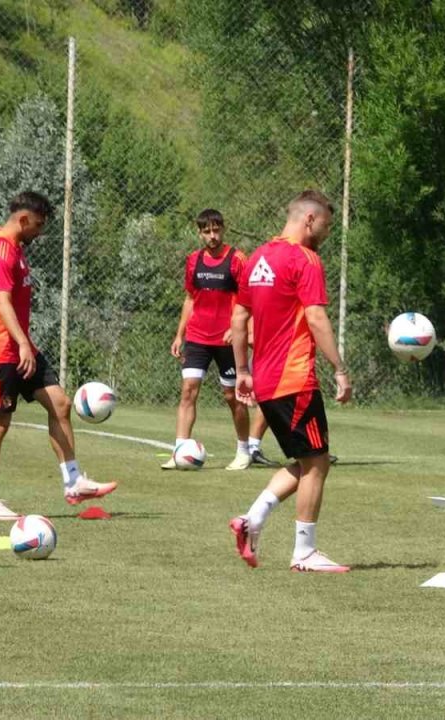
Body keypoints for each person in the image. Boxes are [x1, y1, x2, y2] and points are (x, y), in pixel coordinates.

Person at [227, 190, 352, 572]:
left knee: (310, 460)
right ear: (309, 220)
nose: (326, 235)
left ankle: (252, 520)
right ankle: (304, 552)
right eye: (326, 227)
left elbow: (238, 320)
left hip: (265, 381)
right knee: (316, 463)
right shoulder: (305, 259)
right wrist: (340, 369)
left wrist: (243, 371)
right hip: (294, 379)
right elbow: (316, 318)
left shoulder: (257, 258)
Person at [0, 191, 117, 521]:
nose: (39, 232)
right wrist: (22, 343)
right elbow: (1, 303)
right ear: (22, 220)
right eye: (37, 225)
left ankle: (73, 481)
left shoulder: (17, 251)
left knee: (60, 403)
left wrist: (25, 345)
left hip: (21, 348)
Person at [164, 209, 251, 471]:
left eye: (216, 230)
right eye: (206, 231)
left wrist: (237, 329)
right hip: (198, 337)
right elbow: (190, 298)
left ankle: (244, 451)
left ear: (223, 229)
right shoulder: (193, 260)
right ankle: (179, 450)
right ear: (199, 233)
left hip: (227, 339)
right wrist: (180, 334)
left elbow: (248, 299)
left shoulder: (237, 259)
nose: (212, 236)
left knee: (232, 396)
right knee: (188, 390)